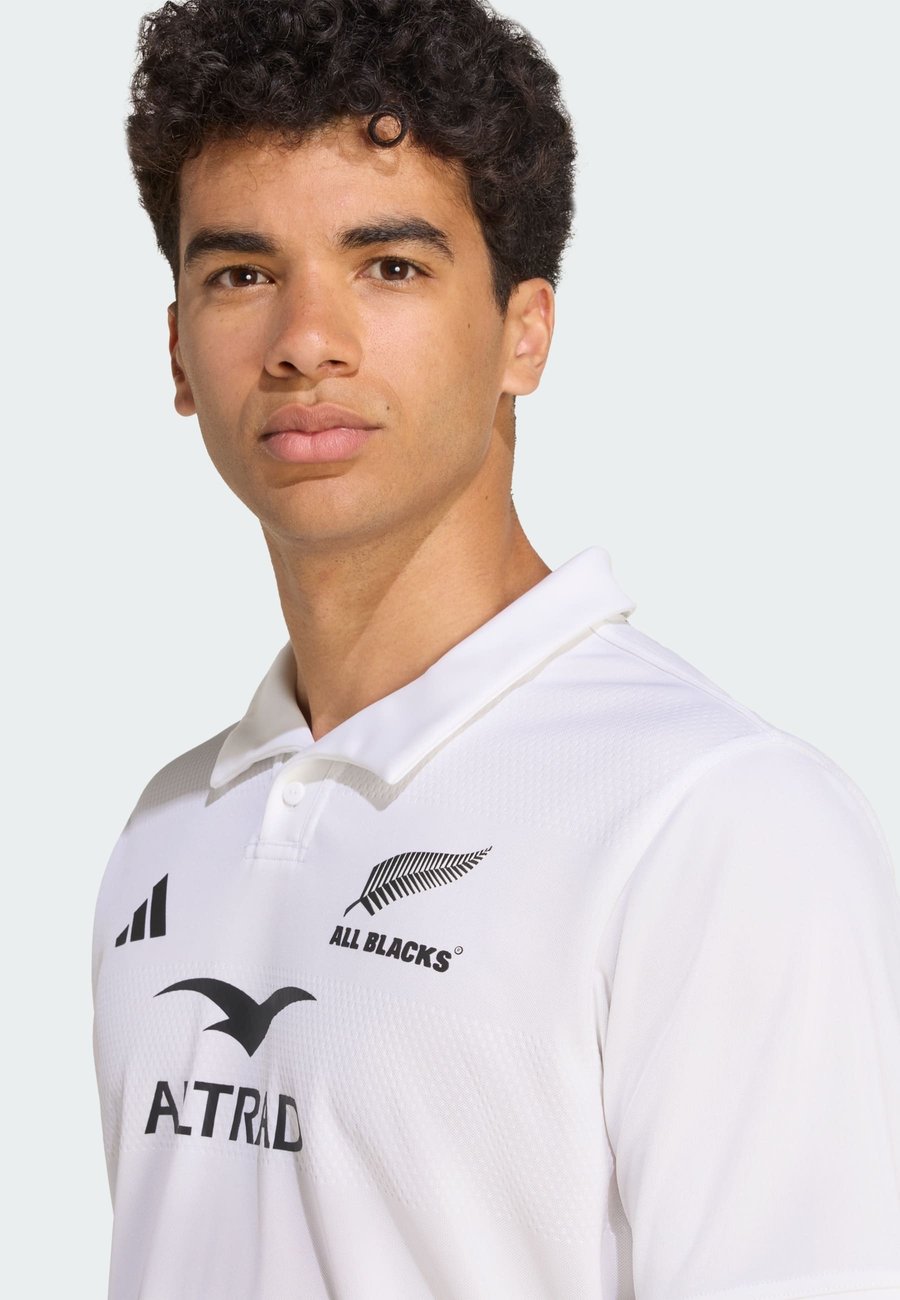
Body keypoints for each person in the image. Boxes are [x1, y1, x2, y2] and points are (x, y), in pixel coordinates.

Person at [91, 0, 900, 1296]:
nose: (305, 341)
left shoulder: (716, 825)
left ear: (526, 331)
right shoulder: (169, 826)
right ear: (178, 349)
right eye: (242, 273)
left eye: (388, 266)